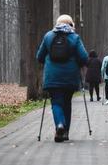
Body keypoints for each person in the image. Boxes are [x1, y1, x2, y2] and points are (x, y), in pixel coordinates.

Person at [37, 14, 88, 142]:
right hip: (70, 77)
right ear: (71, 25)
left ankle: (59, 124)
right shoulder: (74, 37)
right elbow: (84, 57)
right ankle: (65, 133)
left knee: (56, 102)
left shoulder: (48, 36)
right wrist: (79, 64)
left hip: (52, 77)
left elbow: (39, 56)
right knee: (67, 103)